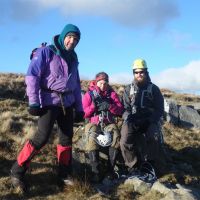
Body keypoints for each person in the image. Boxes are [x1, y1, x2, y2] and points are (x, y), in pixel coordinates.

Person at [10, 24, 84, 192]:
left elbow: (76, 86)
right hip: (48, 101)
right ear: (64, 36)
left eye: (76, 39)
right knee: (41, 138)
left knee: (66, 140)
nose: (72, 41)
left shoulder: (73, 58)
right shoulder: (46, 52)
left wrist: (79, 109)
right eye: (70, 37)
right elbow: (32, 76)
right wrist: (34, 102)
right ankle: (17, 171)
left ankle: (64, 175)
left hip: (68, 103)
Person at [120, 59, 165, 182]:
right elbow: (123, 108)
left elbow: (159, 109)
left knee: (154, 137)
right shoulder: (128, 89)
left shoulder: (154, 89)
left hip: (149, 120)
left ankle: (150, 165)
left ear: (146, 72)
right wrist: (128, 117)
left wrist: (150, 120)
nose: (139, 74)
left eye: (141, 72)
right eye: (136, 72)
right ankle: (132, 167)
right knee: (124, 139)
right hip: (132, 120)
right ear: (133, 73)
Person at [82, 72, 124, 182]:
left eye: (105, 83)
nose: (103, 86)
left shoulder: (112, 94)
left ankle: (111, 170)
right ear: (96, 82)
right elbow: (83, 113)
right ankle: (96, 171)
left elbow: (120, 110)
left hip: (108, 122)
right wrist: (93, 107)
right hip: (94, 123)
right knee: (91, 135)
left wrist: (110, 106)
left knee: (116, 135)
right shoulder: (89, 94)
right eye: (101, 83)